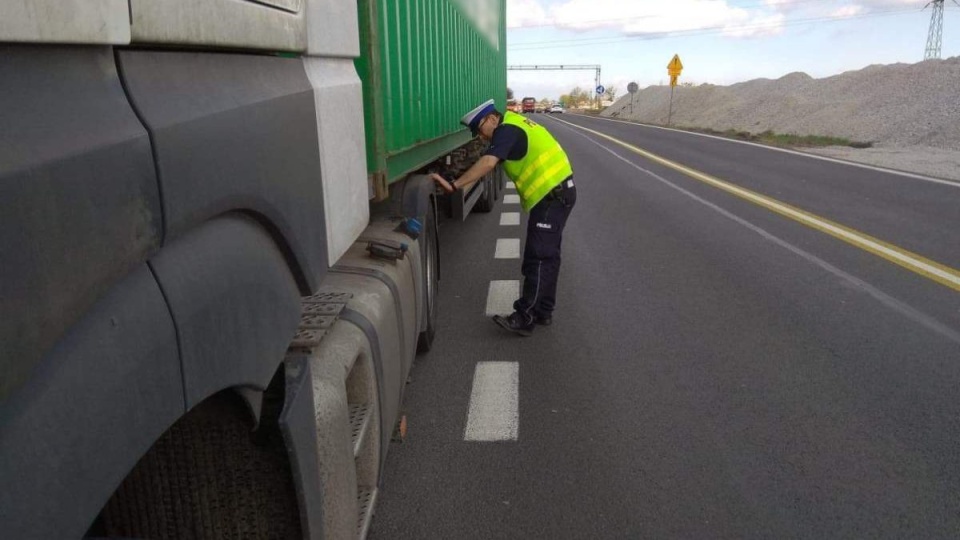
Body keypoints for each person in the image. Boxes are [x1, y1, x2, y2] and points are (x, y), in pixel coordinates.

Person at [430, 99, 577, 337]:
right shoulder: (516, 123)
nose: (480, 136)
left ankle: (525, 316)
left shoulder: (506, 130)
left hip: (552, 196)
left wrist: (454, 185)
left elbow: (488, 162)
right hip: (557, 193)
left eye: (480, 129)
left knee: (538, 257)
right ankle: (543, 311)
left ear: (491, 119)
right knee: (549, 257)